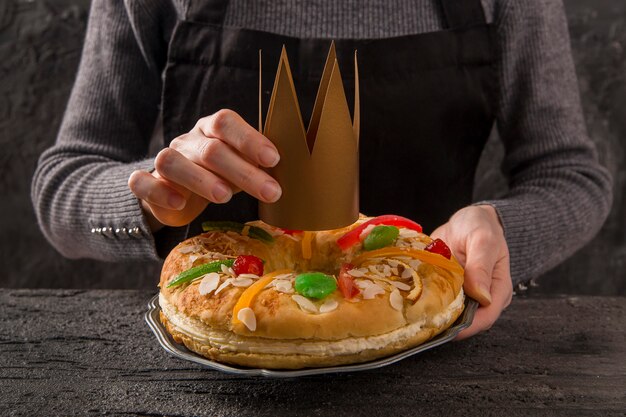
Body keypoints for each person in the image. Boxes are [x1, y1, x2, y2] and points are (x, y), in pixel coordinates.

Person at [32, 0, 612, 340]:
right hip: (210, 379)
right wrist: (150, 199)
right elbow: (62, 184)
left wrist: (499, 231)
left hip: (437, 367)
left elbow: (570, 174)